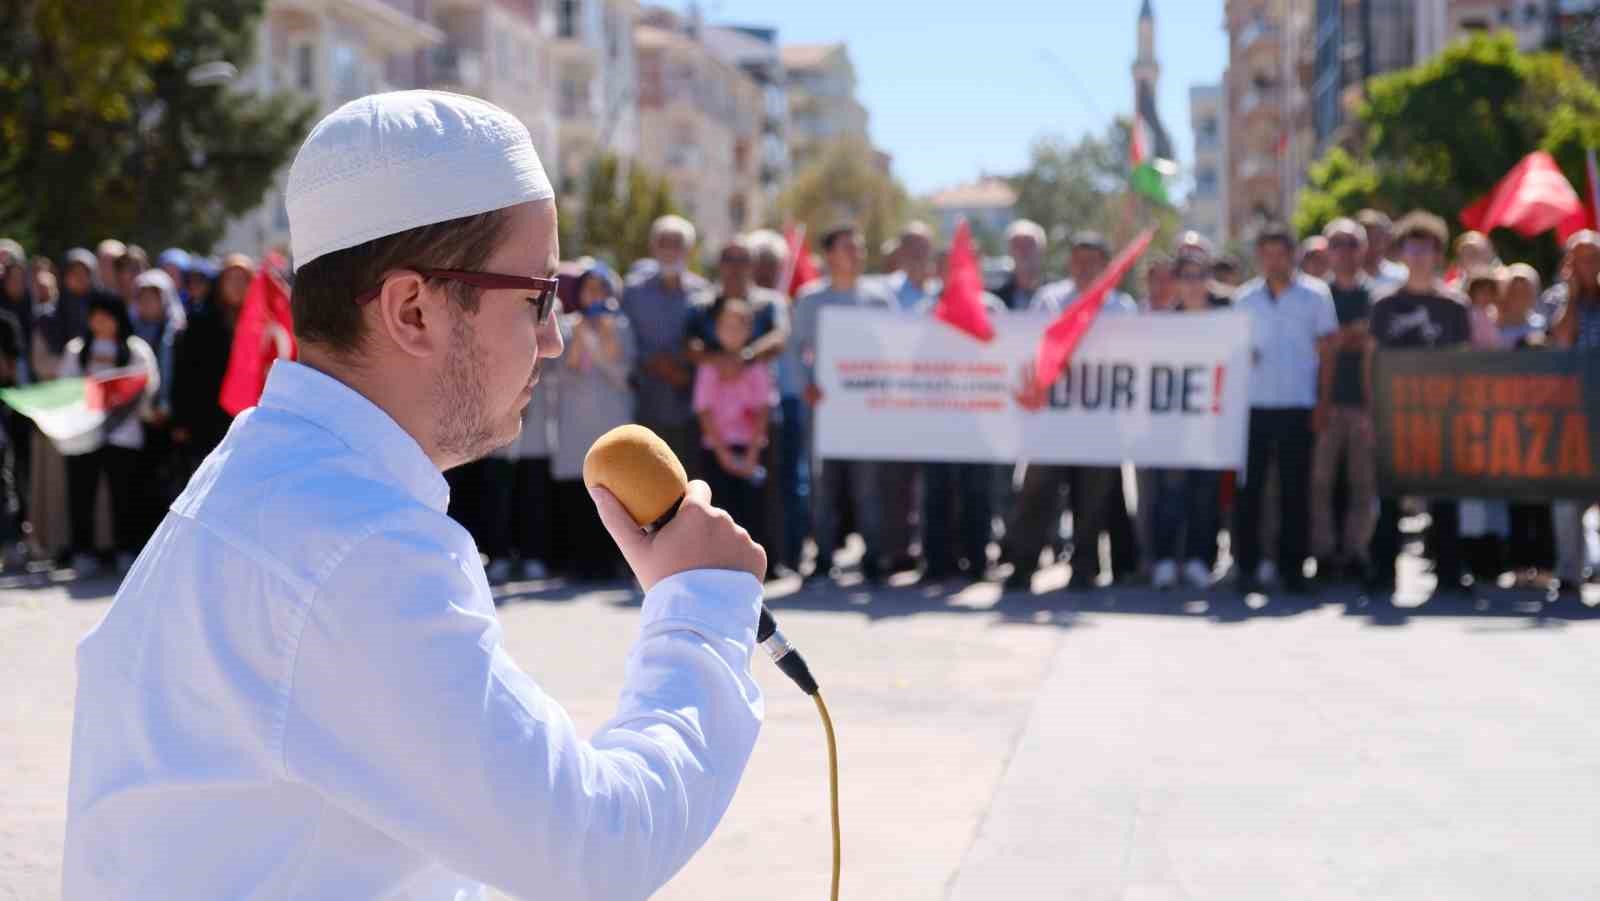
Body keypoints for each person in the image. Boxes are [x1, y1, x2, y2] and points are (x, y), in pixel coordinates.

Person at [63, 91, 765, 900]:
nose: (555, 336)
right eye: (537, 296)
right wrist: (701, 609)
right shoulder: (349, 542)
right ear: (412, 308)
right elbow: (590, 849)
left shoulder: (286, 478)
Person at [1004, 231, 1142, 591]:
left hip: (1100, 418)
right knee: (1037, 493)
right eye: (1077, 260)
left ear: (1105, 265)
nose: (1083, 268)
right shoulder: (1050, 300)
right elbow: (1033, 344)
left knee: (1093, 497)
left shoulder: (1122, 307)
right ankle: (1021, 564)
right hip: (1053, 418)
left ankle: (1084, 567)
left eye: (1092, 261)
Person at [1365, 211, 1472, 599]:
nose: (1420, 255)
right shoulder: (1384, 304)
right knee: (1390, 496)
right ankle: (1381, 574)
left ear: (1438, 254)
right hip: (1396, 417)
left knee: (1444, 496)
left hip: (1441, 416)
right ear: (1402, 253)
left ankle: (1448, 572)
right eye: (1413, 247)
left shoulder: (1455, 307)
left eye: (1427, 248)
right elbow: (1371, 359)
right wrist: (1372, 409)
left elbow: (1463, 362)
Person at [1234, 224, 1339, 597]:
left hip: (1298, 404)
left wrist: (1323, 403)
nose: (1273, 261)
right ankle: (1245, 566)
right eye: (1266, 254)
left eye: (1280, 253)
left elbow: (1328, 352)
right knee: (1250, 492)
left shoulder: (1316, 296)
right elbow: (1234, 354)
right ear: (1259, 257)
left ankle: (1292, 568)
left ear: (1292, 255)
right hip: (1254, 407)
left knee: (1296, 491)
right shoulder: (1244, 299)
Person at [793, 222, 895, 582]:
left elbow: (892, 350)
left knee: (869, 487)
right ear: (829, 255)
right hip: (825, 410)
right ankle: (823, 555)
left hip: (865, 410)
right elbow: (794, 351)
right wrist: (806, 386)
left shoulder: (879, 299)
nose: (857, 254)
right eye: (849, 247)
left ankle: (873, 556)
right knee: (824, 486)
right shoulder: (810, 300)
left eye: (860, 247)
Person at [689, 236, 789, 577]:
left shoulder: (769, 302)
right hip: (715, 429)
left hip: (757, 426)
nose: (735, 265)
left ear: (753, 265)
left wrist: (743, 359)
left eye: (742, 258)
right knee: (717, 499)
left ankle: (767, 562)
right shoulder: (702, 304)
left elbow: (779, 338)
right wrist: (719, 361)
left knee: (763, 497)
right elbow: (689, 343)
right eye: (728, 258)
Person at [58, 294, 160, 576]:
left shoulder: (135, 349)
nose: (100, 322)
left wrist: (120, 400)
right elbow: (67, 387)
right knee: (82, 494)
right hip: (84, 432)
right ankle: (83, 551)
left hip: (124, 433)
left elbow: (148, 384)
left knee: (124, 495)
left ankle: (126, 550)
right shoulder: (77, 349)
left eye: (106, 316)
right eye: (95, 316)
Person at [550, 263, 638, 582]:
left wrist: (606, 334)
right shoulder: (569, 326)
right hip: (576, 419)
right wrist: (585, 334)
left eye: (602, 289)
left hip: (611, 415)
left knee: (614, 491)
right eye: (590, 289)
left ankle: (612, 561)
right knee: (577, 490)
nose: (596, 295)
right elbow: (568, 370)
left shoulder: (622, 325)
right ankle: (579, 560)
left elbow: (623, 372)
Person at [1145, 252, 1224, 590]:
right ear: (1176, 283)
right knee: (1171, 492)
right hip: (1175, 424)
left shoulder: (1227, 320)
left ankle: (1199, 560)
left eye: (1198, 276)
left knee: (1205, 493)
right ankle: (1165, 560)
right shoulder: (1164, 323)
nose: (1192, 284)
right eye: (1185, 277)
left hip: (1214, 422)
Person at [1308, 218, 1379, 583]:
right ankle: (1323, 552)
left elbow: (1367, 341)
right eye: (1338, 243)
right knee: (1320, 482)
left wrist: (1341, 338)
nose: (1345, 251)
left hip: (1364, 403)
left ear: (1363, 249)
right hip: (1325, 401)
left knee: (1362, 483)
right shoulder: (1316, 295)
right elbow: (1323, 343)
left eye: (1352, 243)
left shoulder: (1376, 294)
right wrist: (1348, 336)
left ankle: (1355, 552)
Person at [621, 214, 710, 473]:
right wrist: (650, 364)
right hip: (642, 404)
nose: (670, 250)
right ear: (653, 247)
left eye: (677, 243)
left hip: (689, 408)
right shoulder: (633, 291)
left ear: (689, 250)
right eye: (664, 242)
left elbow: (709, 342)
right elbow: (624, 339)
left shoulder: (704, 294)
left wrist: (684, 370)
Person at [749, 229, 811, 573]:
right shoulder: (749, 304)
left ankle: (794, 550)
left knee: (793, 480)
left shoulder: (789, 304)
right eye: (761, 264)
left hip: (791, 399)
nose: (767, 271)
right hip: (757, 404)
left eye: (774, 264)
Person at [1550, 230, 1600, 600]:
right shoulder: (1556, 300)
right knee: (1567, 499)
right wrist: (1571, 294)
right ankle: (1570, 572)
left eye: (1594, 257)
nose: (1589, 266)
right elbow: (1562, 339)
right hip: (1572, 415)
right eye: (1581, 258)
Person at [692, 297, 770, 535]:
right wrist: (722, 453)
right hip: (717, 450)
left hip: (749, 450)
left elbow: (762, 410)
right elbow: (704, 410)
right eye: (727, 326)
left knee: (752, 512)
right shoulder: (708, 368)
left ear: (749, 330)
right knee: (720, 512)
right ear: (717, 330)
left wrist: (752, 455)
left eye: (740, 326)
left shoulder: (757, 369)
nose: (733, 332)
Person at [129, 270, 185, 544]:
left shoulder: (177, 332)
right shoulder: (130, 333)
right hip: (138, 419)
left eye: (154, 298)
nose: (148, 305)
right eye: (143, 299)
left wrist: (167, 408)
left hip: (170, 420)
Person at [995, 219, 1047, 311]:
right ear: (1009, 251)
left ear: (1042, 249)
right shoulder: (997, 298)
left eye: (1029, 244)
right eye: (1017, 245)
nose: (1023, 251)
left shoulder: (1058, 295)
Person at [1356, 209, 1407, 294]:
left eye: (1377, 238)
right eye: (1367, 237)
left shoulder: (1401, 276)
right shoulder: (1344, 277)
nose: (1370, 244)